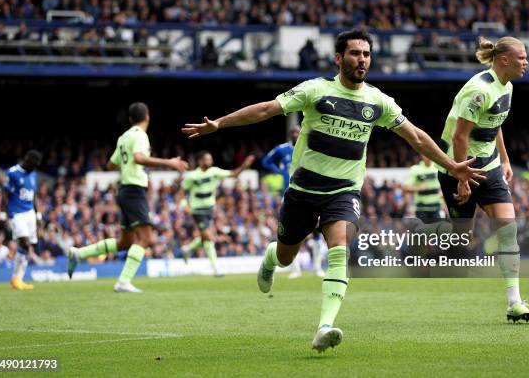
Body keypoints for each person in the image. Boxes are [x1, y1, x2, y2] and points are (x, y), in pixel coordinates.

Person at [182, 29, 484, 352]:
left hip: (344, 191)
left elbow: (417, 137)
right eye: (355, 53)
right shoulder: (316, 91)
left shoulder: (377, 101)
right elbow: (266, 110)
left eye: (366, 54)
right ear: (339, 58)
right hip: (303, 190)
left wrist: (453, 166)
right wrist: (219, 124)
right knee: (287, 255)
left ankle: (324, 326)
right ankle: (271, 258)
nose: (362, 60)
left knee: (340, 246)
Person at [436, 36, 529, 322]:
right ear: (504, 60)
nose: (526, 61)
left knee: (508, 230)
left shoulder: (508, 87)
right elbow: (459, 136)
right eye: (522, 57)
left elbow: (495, 124)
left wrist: (504, 159)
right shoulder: (477, 90)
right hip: (457, 168)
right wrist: (462, 178)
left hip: (489, 169)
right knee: (462, 238)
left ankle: (514, 302)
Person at [65, 102, 188, 292]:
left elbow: (110, 165)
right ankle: (123, 281)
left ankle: (79, 253)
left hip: (124, 191)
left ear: (130, 119)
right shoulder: (140, 135)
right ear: (147, 117)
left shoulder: (124, 137)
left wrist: (127, 164)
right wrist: (169, 163)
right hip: (134, 190)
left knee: (126, 242)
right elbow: (139, 158)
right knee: (146, 239)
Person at [180, 151, 255, 276]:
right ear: (200, 161)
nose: (211, 162)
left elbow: (233, 174)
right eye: (208, 159)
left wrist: (245, 165)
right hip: (197, 210)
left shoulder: (214, 171)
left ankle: (188, 249)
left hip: (209, 210)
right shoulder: (192, 176)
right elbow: (181, 193)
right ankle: (215, 269)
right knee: (209, 237)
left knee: (206, 238)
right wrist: (184, 206)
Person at [262, 126, 313, 279]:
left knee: (314, 229)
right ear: (290, 135)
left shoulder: (310, 147)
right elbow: (266, 161)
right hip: (289, 192)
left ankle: (317, 267)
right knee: (292, 228)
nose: (295, 135)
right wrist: (279, 171)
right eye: (293, 133)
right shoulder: (282, 149)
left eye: (298, 132)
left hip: (310, 192)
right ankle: (295, 269)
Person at [4, 149, 42, 290]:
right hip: (17, 213)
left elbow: (34, 195)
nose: (34, 167)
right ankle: (16, 278)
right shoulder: (13, 173)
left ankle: (18, 279)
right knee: (25, 243)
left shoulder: (33, 174)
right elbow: (5, 193)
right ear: (27, 159)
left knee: (29, 245)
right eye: (33, 164)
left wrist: (38, 215)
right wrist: (5, 213)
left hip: (30, 213)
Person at [403, 155, 442, 222]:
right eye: (426, 154)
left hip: (436, 207)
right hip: (421, 209)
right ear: (422, 155)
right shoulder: (415, 169)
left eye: (430, 153)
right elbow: (405, 187)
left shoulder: (438, 168)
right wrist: (418, 188)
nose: (428, 156)